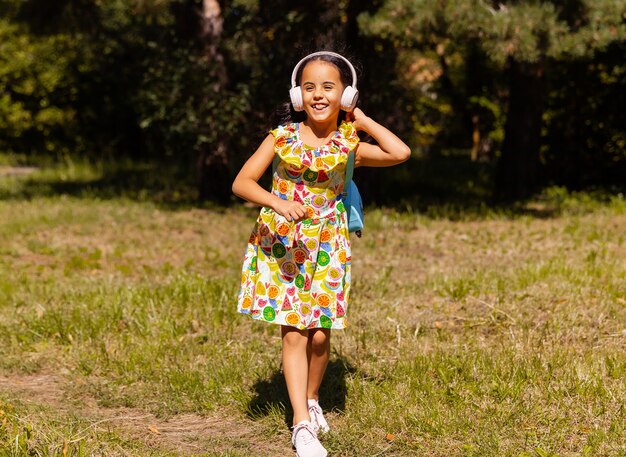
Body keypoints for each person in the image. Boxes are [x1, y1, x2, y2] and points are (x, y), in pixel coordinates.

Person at [232, 51, 410, 457]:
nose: (317, 95)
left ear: (345, 95)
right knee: (293, 330)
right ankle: (300, 425)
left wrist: (361, 121)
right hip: (284, 245)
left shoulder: (350, 144)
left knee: (319, 335)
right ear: (298, 94)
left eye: (328, 87)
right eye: (309, 87)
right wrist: (278, 204)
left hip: (329, 245)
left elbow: (400, 153)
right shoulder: (281, 137)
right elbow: (242, 182)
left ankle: (312, 399)